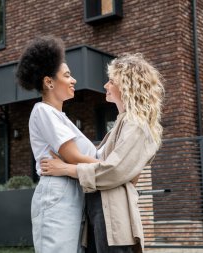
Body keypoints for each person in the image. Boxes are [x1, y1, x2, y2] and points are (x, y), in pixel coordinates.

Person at [40, 53, 164, 253]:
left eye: (111, 81)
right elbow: (115, 169)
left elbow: (114, 170)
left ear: (126, 85)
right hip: (101, 210)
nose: (106, 85)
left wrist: (65, 168)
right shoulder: (122, 123)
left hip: (113, 215)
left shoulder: (136, 125)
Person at [15, 35, 99, 253]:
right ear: (49, 82)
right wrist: (113, 168)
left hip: (72, 190)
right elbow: (75, 158)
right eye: (68, 75)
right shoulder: (43, 111)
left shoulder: (62, 118)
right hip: (58, 191)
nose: (74, 80)